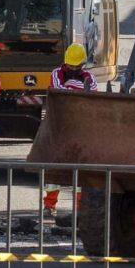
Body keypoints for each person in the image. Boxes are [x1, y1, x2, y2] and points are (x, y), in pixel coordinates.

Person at [42, 44, 96, 217]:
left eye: (76, 67)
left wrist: (71, 85)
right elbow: (59, 92)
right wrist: (77, 86)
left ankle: (80, 209)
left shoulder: (89, 77)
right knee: (55, 169)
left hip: (81, 128)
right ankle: (49, 206)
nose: (72, 69)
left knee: (80, 171)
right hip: (60, 127)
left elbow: (93, 93)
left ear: (82, 65)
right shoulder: (57, 73)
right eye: (70, 66)